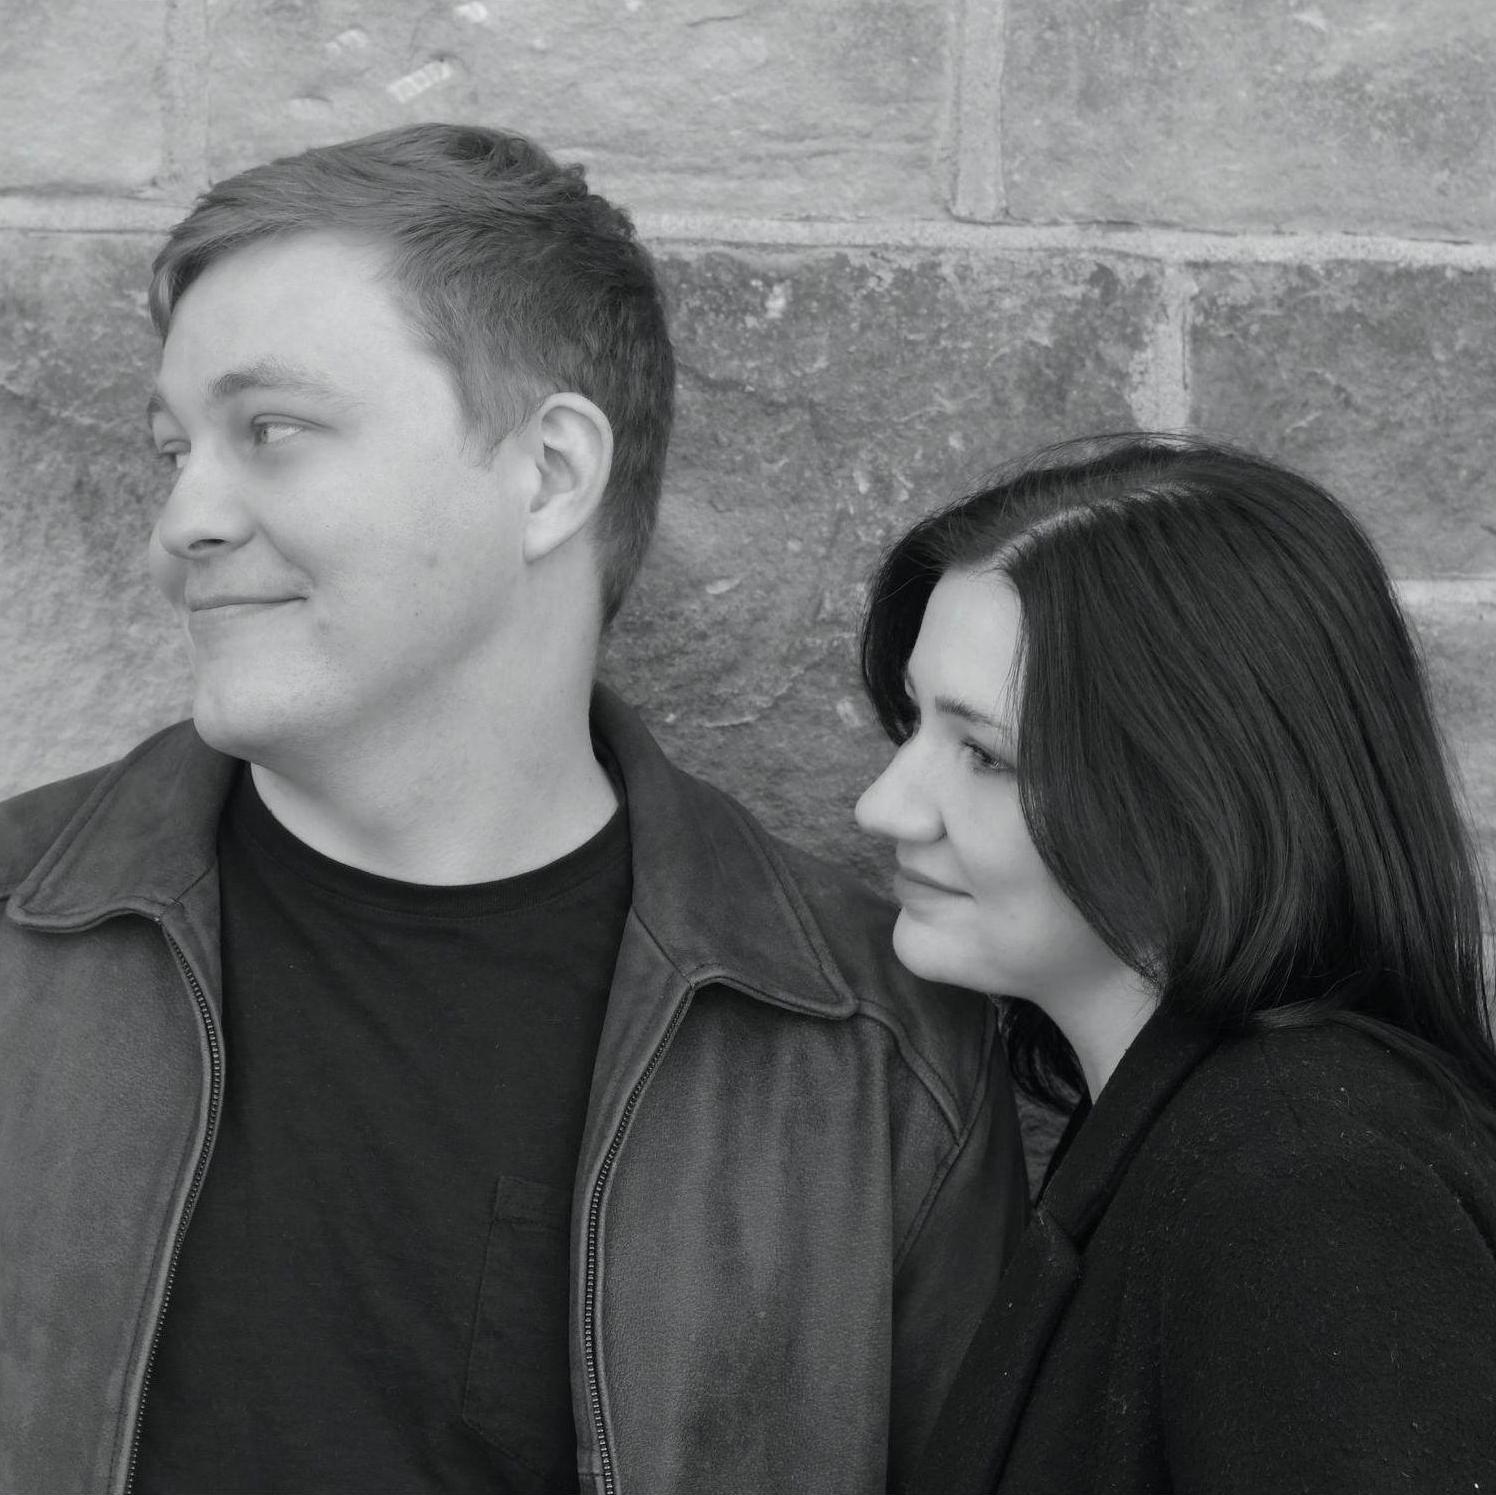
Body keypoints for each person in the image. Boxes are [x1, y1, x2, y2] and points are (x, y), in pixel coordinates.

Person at [0, 124, 1027, 1495]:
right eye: (172, 449)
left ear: (548, 473)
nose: (181, 523)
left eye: (271, 431)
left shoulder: (868, 1052)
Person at [854, 434, 1496, 1494]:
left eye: (984, 753)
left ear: (1197, 798)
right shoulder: (1200, 1136)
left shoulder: (1302, 1186)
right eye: (913, 722)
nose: (882, 805)